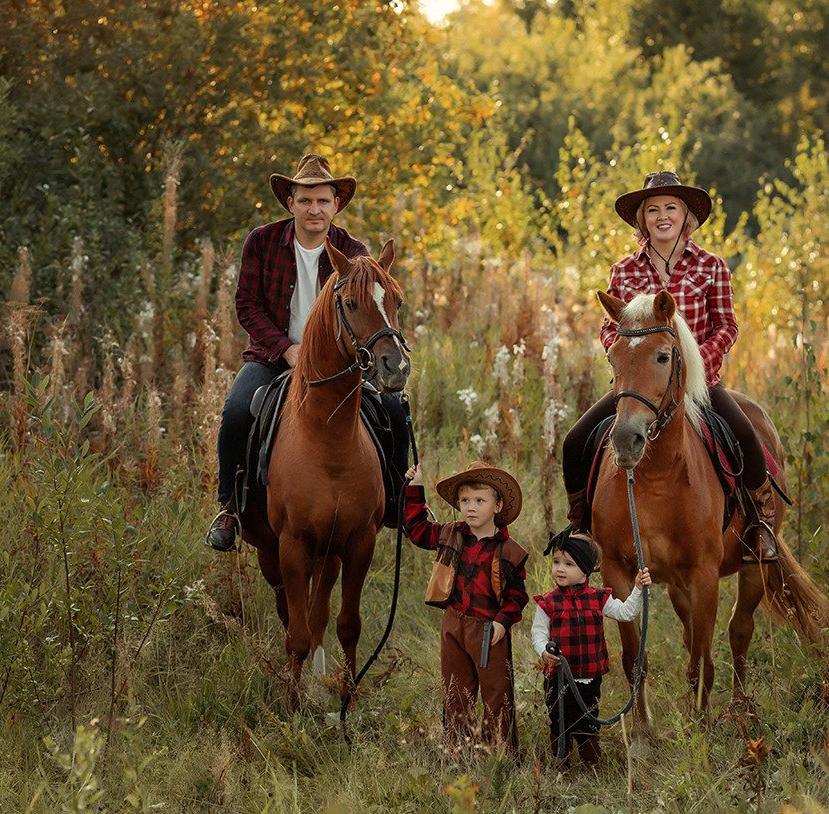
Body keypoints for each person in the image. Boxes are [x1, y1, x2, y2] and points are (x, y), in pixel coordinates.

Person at [561, 170, 779, 563]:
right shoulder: (623, 270)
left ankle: (761, 521)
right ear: (642, 220)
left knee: (746, 435)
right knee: (575, 441)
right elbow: (609, 328)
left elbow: (727, 326)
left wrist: (697, 366)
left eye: (671, 208)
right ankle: (582, 524)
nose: (663, 216)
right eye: (653, 209)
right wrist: (622, 354)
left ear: (686, 217)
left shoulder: (712, 266)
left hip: (699, 386)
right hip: (641, 385)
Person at [206, 153, 408, 550]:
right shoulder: (262, 242)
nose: (314, 209)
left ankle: (397, 502)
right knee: (234, 413)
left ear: (336, 204)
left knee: (395, 411)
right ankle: (229, 507)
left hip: (343, 362)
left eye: (322, 201)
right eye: (305, 200)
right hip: (272, 356)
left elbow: (371, 308)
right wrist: (286, 349)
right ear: (291, 202)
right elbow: (246, 305)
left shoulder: (353, 250)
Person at [403, 459, 529, 758]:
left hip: (488, 630)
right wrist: (415, 488)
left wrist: (502, 621)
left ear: (497, 506)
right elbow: (417, 529)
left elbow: (517, 596)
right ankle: (457, 750)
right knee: (455, 691)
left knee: (496, 693)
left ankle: (496, 753)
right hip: (454, 624)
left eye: (480, 501)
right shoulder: (450, 533)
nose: (471, 507)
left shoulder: (510, 552)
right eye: (465, 501)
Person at [531, 529, 651, 767]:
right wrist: (544, 650)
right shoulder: (548, 602)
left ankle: (591, 764)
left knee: (588, 721)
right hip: (559, 676)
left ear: (585, 570)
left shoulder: (599, 598)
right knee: (559, 720)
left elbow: (626, 613)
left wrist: (637, 589)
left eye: (568, 564)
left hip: (589, 676)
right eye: (556, 562)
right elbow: (538, 632)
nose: (560, 569)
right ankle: (561, 764)